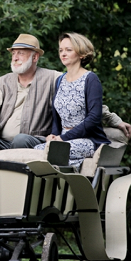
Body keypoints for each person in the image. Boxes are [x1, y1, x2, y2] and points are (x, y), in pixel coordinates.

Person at [0, 33, 131, 150]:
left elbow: (87, 103)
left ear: (35, 57)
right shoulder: (1, 82)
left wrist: (114, 120)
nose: (15, 58)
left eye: (20, 53)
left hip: (31, 140)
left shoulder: (55, 78)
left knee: (22, 141)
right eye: (13, 53)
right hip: (2, 141)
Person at [34, 32, 110, 169]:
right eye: (61, 50)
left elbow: (94, 118)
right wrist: (54, 135)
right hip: (62, 139)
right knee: (36, 150)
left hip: (88, 140)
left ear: (82, 54)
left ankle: (70, 183)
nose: (63, 54)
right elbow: (56, 115)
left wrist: (64, 138)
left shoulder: (91, 79)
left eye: (69, 50)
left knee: (50, 152)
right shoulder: (60, 80)